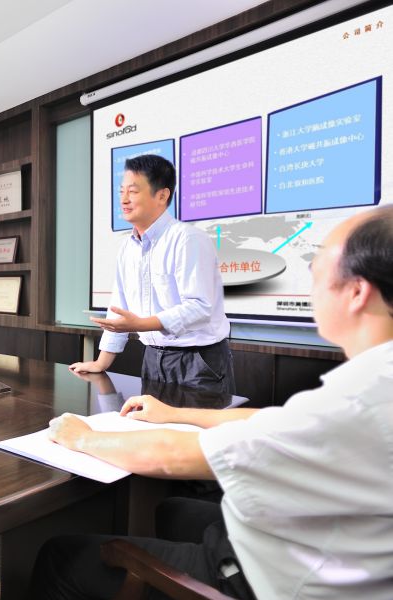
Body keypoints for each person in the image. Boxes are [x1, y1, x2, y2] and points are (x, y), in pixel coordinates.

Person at [31, 205, 393, 599]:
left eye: (317, 270)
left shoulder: (359, 401)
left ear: (357, 292)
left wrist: (82, 438)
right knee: (172, 509)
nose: (312, 285)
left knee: (60, 556)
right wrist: (175, 413)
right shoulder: (374, 379)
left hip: (268, 577)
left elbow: (174, 455)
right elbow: (277, 421)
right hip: (318, 538)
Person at [69, 154, 234, 394]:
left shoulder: (188, 239)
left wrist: (141, 324)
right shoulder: (127, 247)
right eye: (121, 191)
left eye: (133, 191)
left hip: (198, 361)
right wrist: (101, 363)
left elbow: (200, 307)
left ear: (162, 195)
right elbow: (119, 307)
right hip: (152, 358)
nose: (124, 199)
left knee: (195, 420)